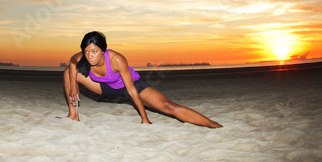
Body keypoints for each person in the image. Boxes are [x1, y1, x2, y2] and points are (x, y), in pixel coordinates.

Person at [63, 31, 222, 128]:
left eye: (94, 51)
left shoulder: (117, 59)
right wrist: (74, 87)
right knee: (67, 73)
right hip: (106, 88)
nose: (90, 56)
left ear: (103, 49)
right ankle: (73, 115)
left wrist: (144, 118)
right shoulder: (82, 57)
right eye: (86, 52)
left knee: (168, 107)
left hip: (134, 87)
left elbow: (131, 90)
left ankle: (214, 125)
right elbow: (72, 62)